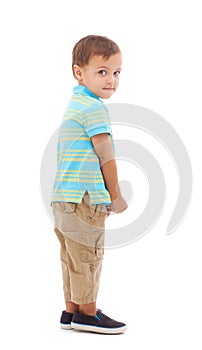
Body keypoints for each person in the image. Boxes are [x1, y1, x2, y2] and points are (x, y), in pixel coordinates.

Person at [51, 35, 128, 334]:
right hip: (83, 197)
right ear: (79, 72)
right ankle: (88, 313)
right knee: (88, 256)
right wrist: (115, 196)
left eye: (117, 72)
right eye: (102, 71)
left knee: (72, 256)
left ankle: (70, 311)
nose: (111, 79)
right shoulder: (94, 108)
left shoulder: (75, 104)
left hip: (63, 197)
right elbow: (104, 155)